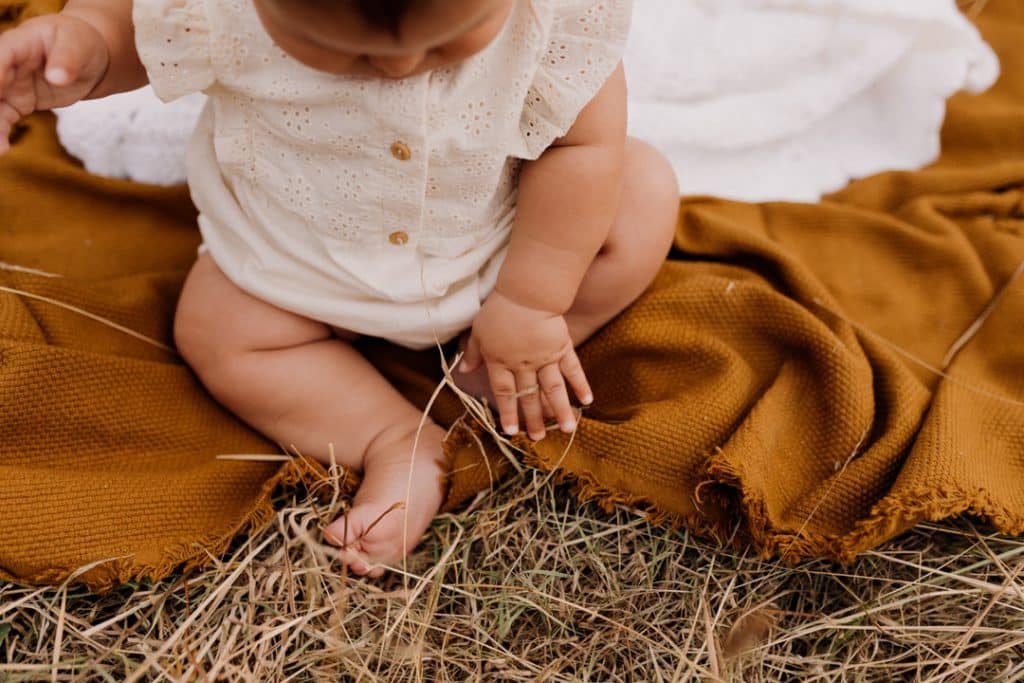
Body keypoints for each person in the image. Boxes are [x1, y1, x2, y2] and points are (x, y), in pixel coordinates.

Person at [0, 0, 679, 576]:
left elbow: (579, 149)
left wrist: (534, 301)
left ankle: (489, 367)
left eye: (446, 41)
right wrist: (86, 43)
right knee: (217, 329)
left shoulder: (552, 18)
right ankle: (393, 439)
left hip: (505, 241)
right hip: (299, 255)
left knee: (642, 195)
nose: (399, 67)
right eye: (338, 49)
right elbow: (135, 30)